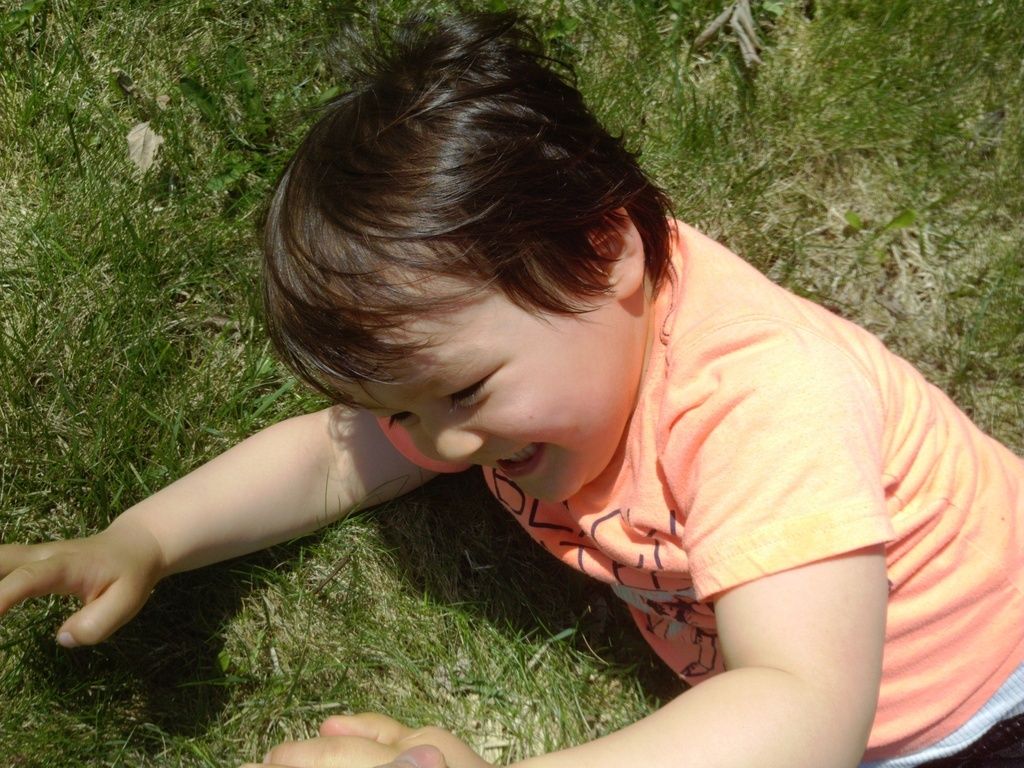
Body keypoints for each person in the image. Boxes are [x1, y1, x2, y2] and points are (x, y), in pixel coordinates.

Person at [2, 11, 1022, 768]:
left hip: (983, 707)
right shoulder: (513, 371)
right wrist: (144, 539)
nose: (438, 445)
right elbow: (331, 457)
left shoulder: (761, 399)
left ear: (605, 253)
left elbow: (803, 709)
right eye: (403, 410)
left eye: (465, 392)